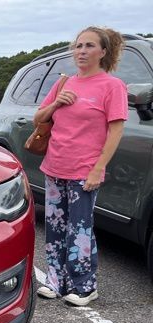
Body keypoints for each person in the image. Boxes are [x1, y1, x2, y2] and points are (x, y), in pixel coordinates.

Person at [34, 26, 128, 306]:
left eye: (89, 46)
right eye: (78, 46)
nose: (82, 51)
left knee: (80, 228)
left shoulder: (112, 86)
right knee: (54, 226)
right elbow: (38, 118)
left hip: (84, 170)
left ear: (103, 52)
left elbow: (116, 131)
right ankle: (55, 280)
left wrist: (99, 168)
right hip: (55, 166)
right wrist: (55, 105)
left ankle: (84, 286)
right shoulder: (64, 83)